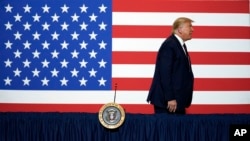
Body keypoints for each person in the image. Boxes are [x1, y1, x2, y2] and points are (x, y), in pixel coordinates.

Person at [147, 17, 194, 114]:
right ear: (180, 29)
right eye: (189, 26)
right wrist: (170, 98)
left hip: (177, 101)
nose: (192, 29)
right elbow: (165, 73)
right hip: (168, 104)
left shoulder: (179, 45)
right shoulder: (170, 45)